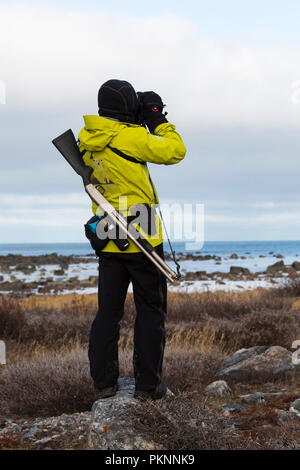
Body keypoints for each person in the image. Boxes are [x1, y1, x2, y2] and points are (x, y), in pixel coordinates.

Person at [78, 79, 186, 400]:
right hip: (143, 236)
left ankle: (104, 384)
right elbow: (176, 151)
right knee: (151, 311)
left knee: (108, 313)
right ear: (125, 106)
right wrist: (157, 120)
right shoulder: (131, 136)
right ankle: (149, 386)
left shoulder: (86, 139)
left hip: (108, 235)